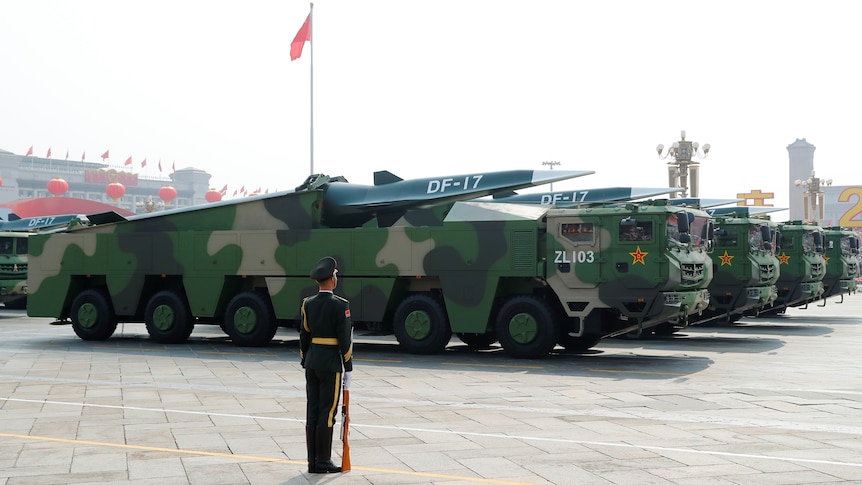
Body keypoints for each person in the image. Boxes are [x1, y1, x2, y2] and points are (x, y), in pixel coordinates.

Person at [300, 256, 353, 474]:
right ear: (332, 279)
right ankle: (323, 461)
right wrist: (348, 366)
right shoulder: (341, 305)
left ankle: (312, 461)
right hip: (331, 364)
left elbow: (304, 335)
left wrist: (305, 359)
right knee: (328, 412)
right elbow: (345, 340)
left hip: (312, 362)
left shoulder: (308, 303)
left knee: (312, 410)